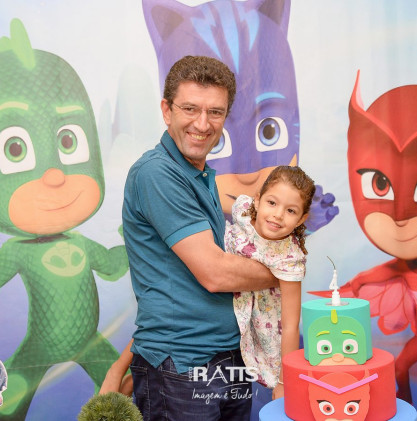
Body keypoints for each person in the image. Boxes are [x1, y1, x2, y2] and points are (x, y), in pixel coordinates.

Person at [122, 55, 278, 420]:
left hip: (229, 357)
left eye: (215, 112)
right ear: (167, 110)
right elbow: (216, 273)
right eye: (190, 109)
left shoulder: (201, 175)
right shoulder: (157, 173)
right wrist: (285, 270)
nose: (202, 124)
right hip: (182, 365)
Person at [225, 165, 315, 400]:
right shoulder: (244, 211)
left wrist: (285, 382)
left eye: (291, 210)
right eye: (272, 203)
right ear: (257, 200)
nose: (278, 215)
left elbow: (291, 324)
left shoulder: (289, 258)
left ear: (301, 219)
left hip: (259, 320)